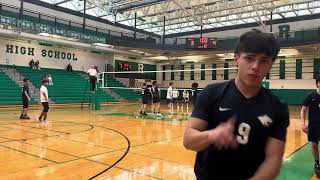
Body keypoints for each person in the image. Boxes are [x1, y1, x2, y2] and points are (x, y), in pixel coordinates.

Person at [183, 29, 289, 180]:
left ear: (271, 64)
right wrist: (212, 135)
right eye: (249, 58)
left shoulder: (278, 107)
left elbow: (274, 159)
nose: (255, 66)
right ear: (236, 58)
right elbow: (188, 141)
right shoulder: (211, 93)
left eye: (264, 60)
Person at [301, 75, 320, 177]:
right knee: (314, 145)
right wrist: (303, 123)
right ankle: (317, 163)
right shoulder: (311, 96)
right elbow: (303, 109)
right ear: (317, 83)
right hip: (313, 125)